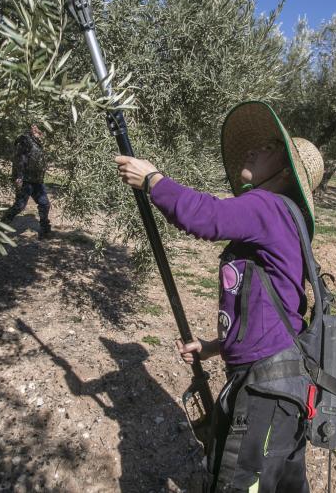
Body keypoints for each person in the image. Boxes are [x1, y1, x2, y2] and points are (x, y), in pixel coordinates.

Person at [115, 101, 324, 493]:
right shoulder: (278, 217)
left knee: (238, 483)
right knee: (283, 484)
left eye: (268, 146)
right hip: (280, 384)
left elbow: (206, 217)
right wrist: (214, 347)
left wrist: (153, 179)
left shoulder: (268, 207)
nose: (253, 149)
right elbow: (270, 306)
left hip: (266, 391)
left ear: (285, 171)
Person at [2, 123, 52, 239]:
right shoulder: (25, 140)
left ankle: (45, 231)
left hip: (37, 180)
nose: (42, 132)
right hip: (25, 180)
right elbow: (19, 159)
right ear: (33, 128)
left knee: (44, 204)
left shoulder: (39, 142)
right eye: (39, 129)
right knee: (19, 206)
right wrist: (19, 177)